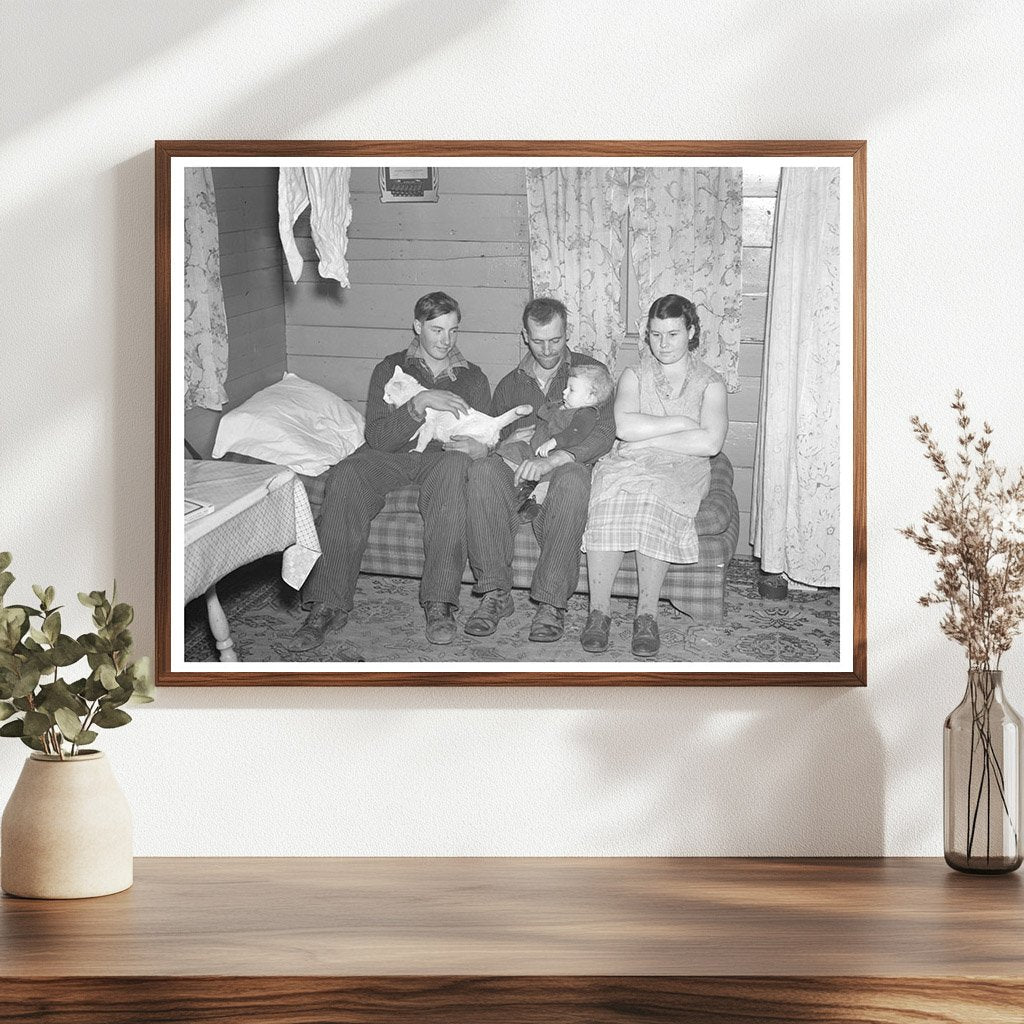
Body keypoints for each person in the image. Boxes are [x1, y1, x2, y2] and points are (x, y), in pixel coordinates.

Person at [287, 291, 491, 652]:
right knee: (348, 472)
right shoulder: (390, 368)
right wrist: (419, 402)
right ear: (417, 326)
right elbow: (378, 437)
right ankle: (327, 605)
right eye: (436, 329)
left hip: (440, 457)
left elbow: (485, 434)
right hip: (392, 454)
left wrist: (482, 447)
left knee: (455, 468)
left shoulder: (473, 378)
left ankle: (439, 603)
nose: (446, 340)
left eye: (453, 330)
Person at [581, 294, 728, 659]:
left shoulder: (711, 383)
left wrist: (654, 437)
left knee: (654, 497)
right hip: (629, 461)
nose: (663, 344)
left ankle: (645, 616)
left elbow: (710, 442)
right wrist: (680, 423)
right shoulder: (634, 374)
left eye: (673, 334)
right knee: (609, 498)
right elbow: (624, 426)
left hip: (681, 468)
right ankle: (598, 613)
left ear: (691, 332)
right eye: (656, 334)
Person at [465, 298, 615, 643]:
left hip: (563, 476)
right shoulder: (509, 384)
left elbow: (605, 432)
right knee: (485, 471)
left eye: (556, 340)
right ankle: (495, 595)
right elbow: (491, 435)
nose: (547, 350)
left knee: (575, 478)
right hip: (519, 477)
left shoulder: (591, 374)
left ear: (567, 333)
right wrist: (504, 438)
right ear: (524, 336)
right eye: (538, 340)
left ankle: (550, 603)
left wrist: (558, 457)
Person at [498, 363, 615, 518]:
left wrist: (554, 442)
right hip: (535, 450)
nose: (564, 392)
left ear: (590, 397)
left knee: (549, 478)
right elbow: (545, 415)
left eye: (571, 390)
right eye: (566, 387)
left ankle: (533, 504)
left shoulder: (587, 414)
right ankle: (512, 477)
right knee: (515, 447)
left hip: (555, 457)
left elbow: (575, 434)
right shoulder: (564, 406)